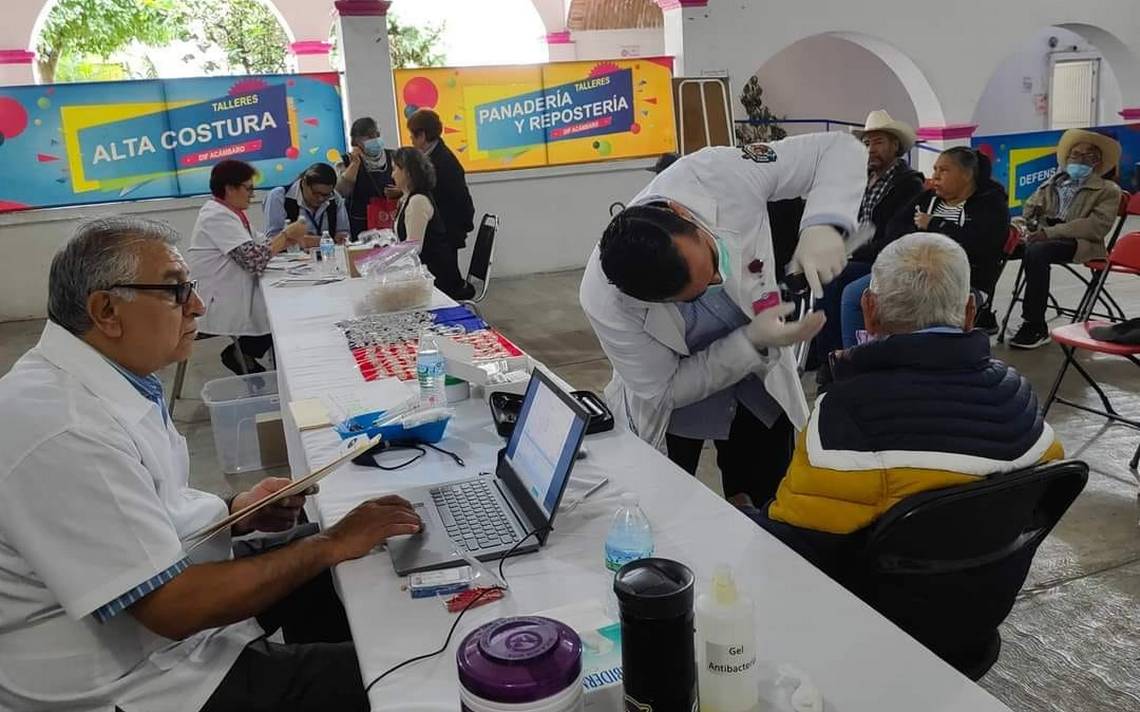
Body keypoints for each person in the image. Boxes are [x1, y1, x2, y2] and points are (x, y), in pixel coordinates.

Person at [0, 217, 423, 711]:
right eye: (176, 291)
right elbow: (173, 608)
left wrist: (235, 513)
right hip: (133, 682)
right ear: (106, 310)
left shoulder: (105, 380)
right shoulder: (63, 429)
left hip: (160, 624)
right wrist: (330, 545)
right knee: (408, 676)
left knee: (364, 560)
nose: (198, 305)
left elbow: (150, 509)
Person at [733, 233, 1063, 578]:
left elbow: (794, 541)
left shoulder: (845, 415)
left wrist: (743, 514)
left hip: (872, 604)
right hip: (989, 595)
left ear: (869, 311)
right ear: (969, 312)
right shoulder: (1021, 398)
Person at [580, 133, 865, 504]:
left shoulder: (717, 174)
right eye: (697, 294)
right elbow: (666, 389)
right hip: (678, 404)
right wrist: (750, 341)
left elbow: (838, 149)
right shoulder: (606, 301)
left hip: (757, 388)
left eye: (713, 260)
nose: (720, 279)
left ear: (682, 213)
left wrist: (822, 224)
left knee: (767, 499)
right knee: (664, 506)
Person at [839, 147, 1008, 347]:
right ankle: (854, 355)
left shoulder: (990, 204)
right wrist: (919, 236)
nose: (935, 176)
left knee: (911, 305)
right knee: (853, 294)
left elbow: (980, 246)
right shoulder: (928, 198)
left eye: (943, 170)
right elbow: (896, 228)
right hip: (910, 270)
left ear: (966, 174)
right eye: (935, 169)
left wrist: (935, 224)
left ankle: (903, 355)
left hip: (960, 279)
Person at [812, 110, 925, 359]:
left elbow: (894, 239)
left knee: (832, 279)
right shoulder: (863, 179)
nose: (870, 149)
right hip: (858, 255)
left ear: (895, 146)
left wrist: (848, 252)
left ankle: (839, 357)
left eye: (878, 142)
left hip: (885, 259)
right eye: (866, 143)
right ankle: (824, 350)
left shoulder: (909, 185)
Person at [188, 160, 309, 375]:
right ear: (230, 188)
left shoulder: (232, 214)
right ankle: (243, 355)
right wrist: (286, 235)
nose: (252, 195)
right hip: (218, 299)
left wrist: (289, 238)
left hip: (233, 290)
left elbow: (262, 245)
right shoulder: (216, 216)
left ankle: (246, 355)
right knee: (281, 314)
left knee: (281, 309)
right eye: (248, 188)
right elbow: (254, 260)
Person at [1008, 129, 1123, 349]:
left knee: (1038, 251)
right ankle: (983, 310)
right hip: (1043, 235)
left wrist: (1049, 233)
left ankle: (1034, 325)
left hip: (1079, 242)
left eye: (1089, 155)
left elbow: (1095, 226)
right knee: (1000, 243)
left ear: (1098, 162)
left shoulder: (1108, 190)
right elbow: (1029, 211)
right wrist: (1021, 227)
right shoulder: (1053, 183)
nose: (1080, 159)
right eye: (1075, 154)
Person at [392, 146, 474, 300]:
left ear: (408, 172)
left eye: (396, 169)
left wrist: (386, 260)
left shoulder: (418, 201)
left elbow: (413, 248)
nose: (392, 174)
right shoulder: (408, 198)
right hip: (428, 271)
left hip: (437, 277)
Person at [407, 109, 476, 252]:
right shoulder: (434, 155)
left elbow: (432, 195)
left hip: (446, 232)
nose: (411, 139)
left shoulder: (441, 161)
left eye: (412, 135)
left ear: (422, 136)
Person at [336, 116, 401, 240]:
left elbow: (409, 186)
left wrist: (400, 191)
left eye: (377, 134)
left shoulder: (394, 156)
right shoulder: (345, 161)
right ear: (356, 141)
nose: (375, 139)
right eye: (369, 137)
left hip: (390, 220)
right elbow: (341, 192)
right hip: (360, 224)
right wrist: (355, 164)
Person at [264, 162, 351, 244]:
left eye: (325, 195)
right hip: (291, 254)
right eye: (315, 193)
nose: (320, 198)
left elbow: (344, 234)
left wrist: (342, 238)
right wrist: (321, 241)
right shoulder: (279, 196)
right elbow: (273, 240)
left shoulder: (335, 198)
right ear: (304, 183)